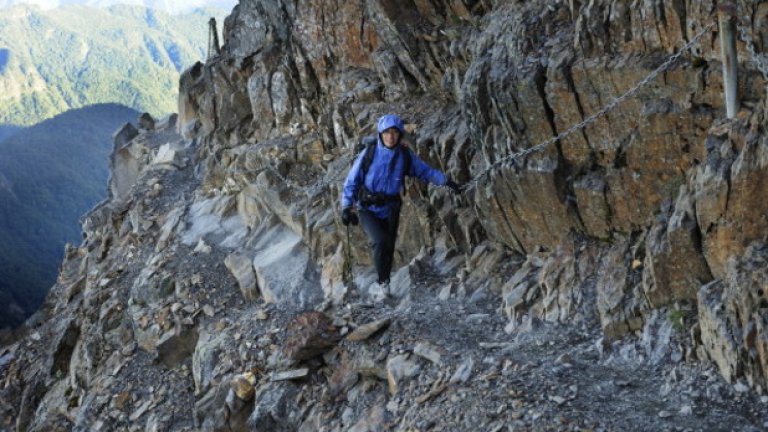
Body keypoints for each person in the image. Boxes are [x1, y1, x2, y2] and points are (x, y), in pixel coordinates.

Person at [340, 114, 462, 296]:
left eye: (395, 133)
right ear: (381, 134)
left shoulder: (405, 157)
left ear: (400, 135)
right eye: (387, 132)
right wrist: (346, 207)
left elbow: (425, 171)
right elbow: (352, 180)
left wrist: (446, 182)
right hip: (367, 207)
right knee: (380, 242)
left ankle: (385, 283)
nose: (391, 137)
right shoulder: (369, 153)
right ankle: (382, 285)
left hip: (391, 208)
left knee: (388, 245)